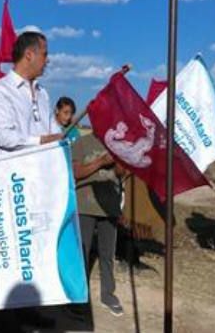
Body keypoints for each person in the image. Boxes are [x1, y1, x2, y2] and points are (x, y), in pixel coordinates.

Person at [0, 31, 60, 333]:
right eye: (44, 53)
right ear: (29, 54)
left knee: (36, 248)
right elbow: (2, 136)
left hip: (40, 181)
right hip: (12, 182)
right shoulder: (0, 92)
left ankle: (29, 309)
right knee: (14, 251)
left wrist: (57, 139)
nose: (48, 59)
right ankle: (6, 320)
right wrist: (42, 140)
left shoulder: (42, 93)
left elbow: (53, 128)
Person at [72, 132, 125, 317]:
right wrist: (101, 162)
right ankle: (78, 298)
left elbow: (120, 173)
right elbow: (76, 172)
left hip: (110, 206)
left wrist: (119, 162)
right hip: (85, 206)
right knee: (82, 254)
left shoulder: (118, 143)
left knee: (107, 253)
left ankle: (108, 294)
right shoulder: (81, 142)